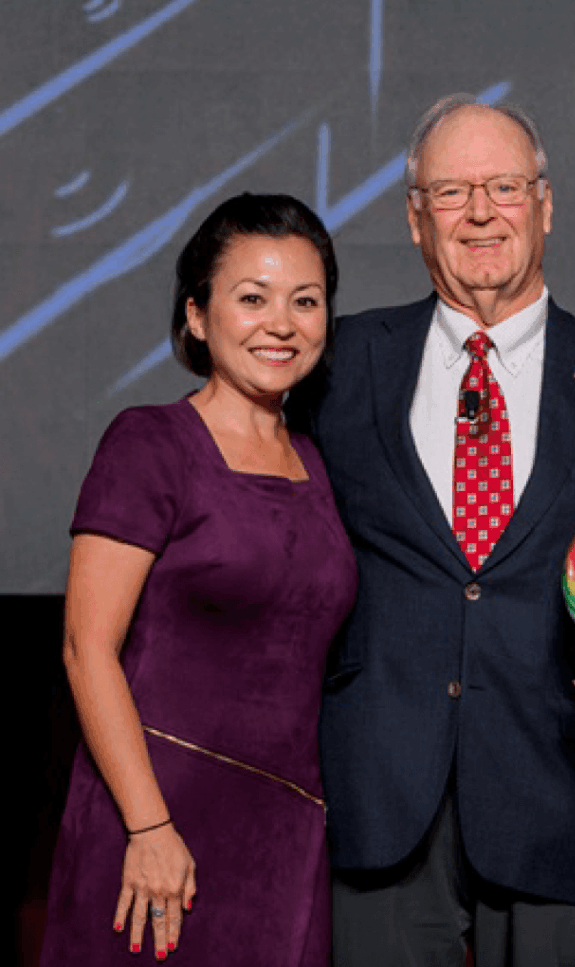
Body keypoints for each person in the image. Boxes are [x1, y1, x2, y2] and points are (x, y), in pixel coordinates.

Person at [287, 95, 575, 967]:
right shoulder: (335, 364)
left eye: (503, 186)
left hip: (560, 798)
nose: (479, 212)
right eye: (451, 190)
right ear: (414, 216)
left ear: (545, 204)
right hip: (379, 797)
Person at [41, 193, 357, 965]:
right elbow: (87, 649)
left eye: (305, 302)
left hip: (283, 837)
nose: (281, 323)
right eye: (252, 298)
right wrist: (148, 827)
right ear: (196, 314)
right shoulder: (150, 444)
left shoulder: (319, 462)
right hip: (155, 828)